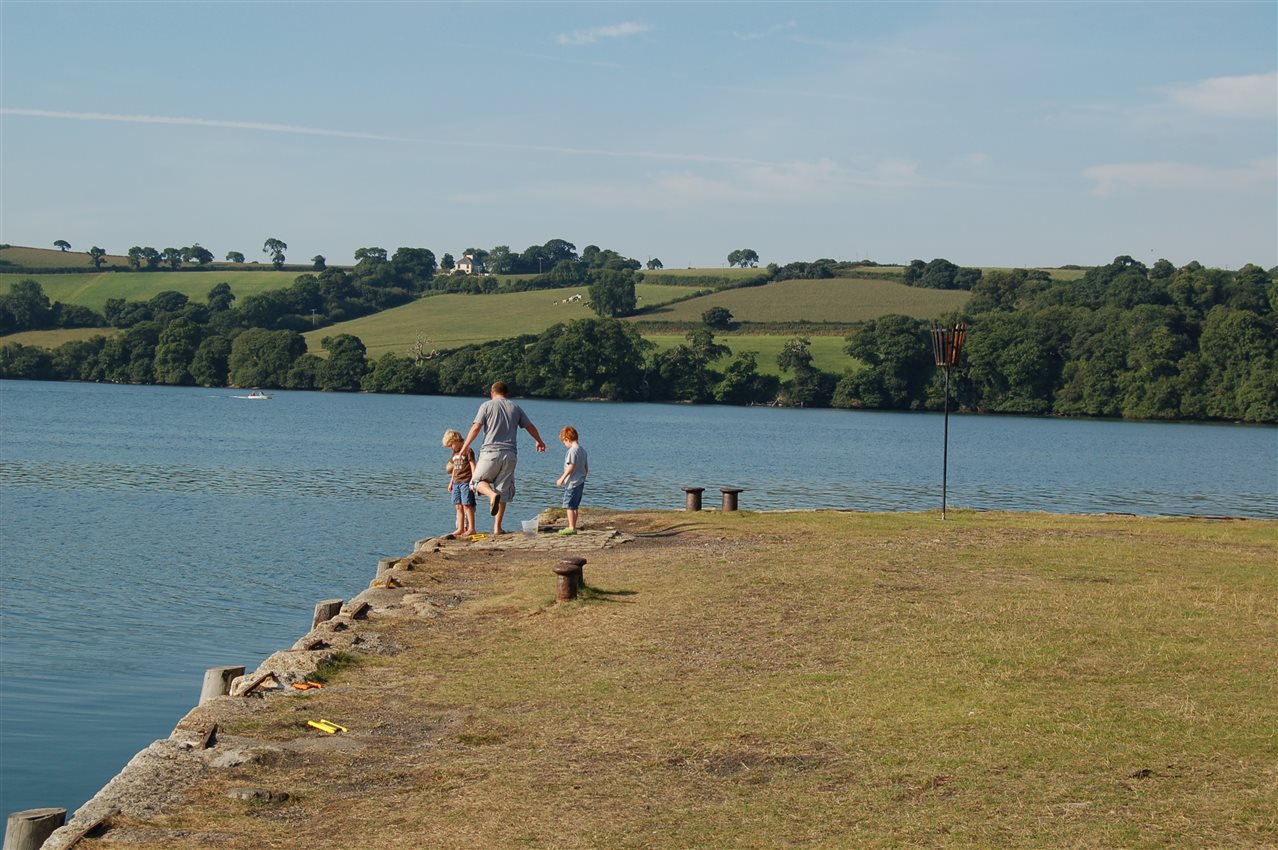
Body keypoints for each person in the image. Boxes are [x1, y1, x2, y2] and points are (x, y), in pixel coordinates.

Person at [460, 381, 546, 535]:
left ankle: (492, 495)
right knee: (503, 490)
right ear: (506, 393)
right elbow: (530, 426)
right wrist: (539, 441)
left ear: (492, 393)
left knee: (475, 482)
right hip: (510, 455)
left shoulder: (486, 406)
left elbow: (476, 427)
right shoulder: (515, 407)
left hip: (490, 453)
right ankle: (497, 528)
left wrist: (464, 447)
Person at [441, 429, 476, 539]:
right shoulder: (455, 454)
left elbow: (473, 466)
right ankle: (460, 528)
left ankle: (471, 528)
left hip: (466, 482)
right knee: (458, 506)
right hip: (456, 482)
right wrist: (451, 482)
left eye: (451, 445)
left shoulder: (468, 450)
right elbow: (454, 469)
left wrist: (473, 480)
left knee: (467, 505)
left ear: (456, 440)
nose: (451, 448)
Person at [554, 425, 588, 535]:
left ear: (567, 439)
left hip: (572, 483)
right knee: (575, 506)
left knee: (569, 506)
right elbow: (586, 468)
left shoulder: (572, 451)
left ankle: (571, 527)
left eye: (564, 442)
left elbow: (571, 466)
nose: (564, 444)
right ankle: (573, 526)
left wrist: (561, 478)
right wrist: (583, 477)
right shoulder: (582, 451)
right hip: (580, 482)